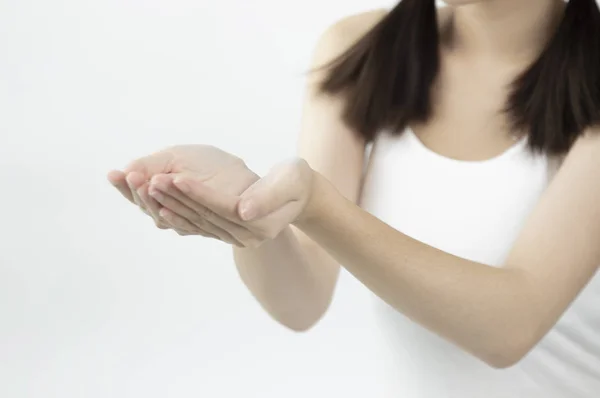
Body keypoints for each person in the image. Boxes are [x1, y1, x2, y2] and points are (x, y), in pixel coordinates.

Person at [107, 0, 600, 396]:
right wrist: (250, 211)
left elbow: (509, 328)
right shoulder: (360, 50)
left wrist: (316, 204)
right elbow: (299, 303)